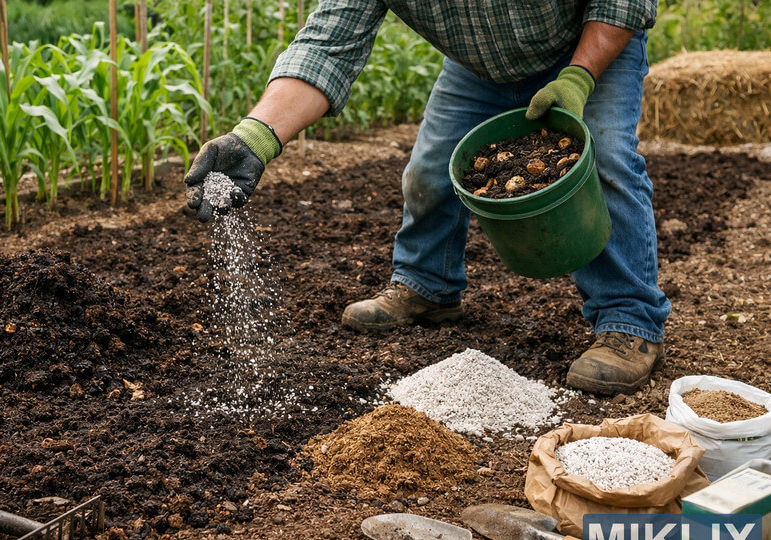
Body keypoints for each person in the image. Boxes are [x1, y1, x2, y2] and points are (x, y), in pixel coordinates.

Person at [183, 0, 671, 397]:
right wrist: (257, 138)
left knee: (604, 158)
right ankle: (427, 284)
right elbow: (325, 47)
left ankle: (630, 320)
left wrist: (579, 77)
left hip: (588, 44)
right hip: (478, 68)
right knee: (429, 172)